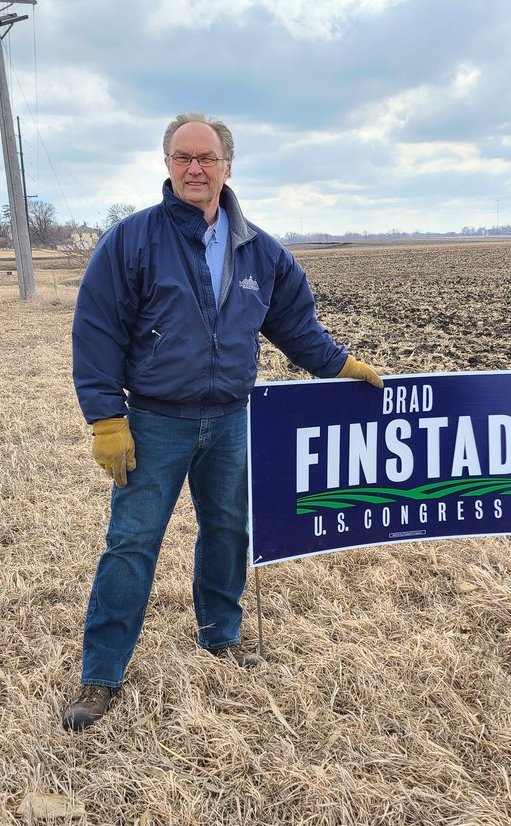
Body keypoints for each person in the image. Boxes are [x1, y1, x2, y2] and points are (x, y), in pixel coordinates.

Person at [65, 112, 383, 731]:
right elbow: (96, 332)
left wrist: (342, 366)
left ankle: (220, 635)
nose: (194, 169)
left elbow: (296, 327)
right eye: (183, 158)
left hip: (233, 421)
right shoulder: (131, 242)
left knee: (228, 532)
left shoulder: (260, 251)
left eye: (206, 158)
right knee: (131, 544)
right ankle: (100, 675)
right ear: (166, 166)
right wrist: (107, 417)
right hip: (155, 422)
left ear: (227, 167)